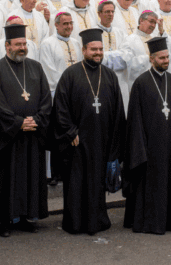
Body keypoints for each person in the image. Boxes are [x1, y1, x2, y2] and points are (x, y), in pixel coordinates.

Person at [51, 28, 126, 235]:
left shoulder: (109, 76)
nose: (98, 53)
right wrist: (70, 132)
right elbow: (60, 107)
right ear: (84, 50)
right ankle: (75, 222)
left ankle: (98, 220)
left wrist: (114, 141)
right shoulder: (70, 74)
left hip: (102, 140)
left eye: (101, 49)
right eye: (94, 49)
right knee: (76, 183)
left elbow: (118, 110)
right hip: (77, 141)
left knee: (96, 183)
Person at [0, 25, 51, 236]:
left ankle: (24, 216)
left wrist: (37, 119)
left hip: (31, 136)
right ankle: (0, 222)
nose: (22, 48)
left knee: (29, 177)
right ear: (7, 46)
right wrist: (18, 122)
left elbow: (46, 99)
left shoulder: (36, 67)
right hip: (6, 137)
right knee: (4, 179)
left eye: (24, 44)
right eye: (18, 44)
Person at [123, 37, 171, 234]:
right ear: (152, 59)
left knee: (166, 185)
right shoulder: (141, 83)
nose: (166, 61)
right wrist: (139, 149)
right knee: (149, 186)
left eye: (167, 57)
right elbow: (135, 119)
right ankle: (148, 223)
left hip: (168, 146)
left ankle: (167, 222)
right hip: (148, 148)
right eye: (161, 58)